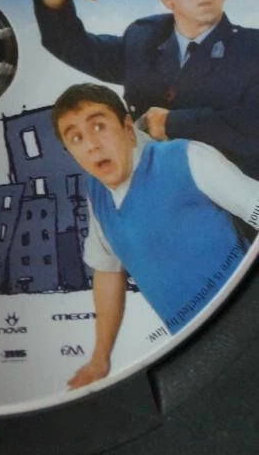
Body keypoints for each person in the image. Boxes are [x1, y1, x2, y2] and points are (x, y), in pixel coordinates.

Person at [51, 82, 259, 389]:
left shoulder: (185, 157)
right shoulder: (97, 195)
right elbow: (107, 270)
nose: (92, 144)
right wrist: (100, 359)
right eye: (76, 137)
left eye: (98, 126)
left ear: (127, 128)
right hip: (194, 354)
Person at [33, 0, 259, 178]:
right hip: (151, 188)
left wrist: (171, 124)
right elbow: (73, 46)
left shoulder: (252, 48)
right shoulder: (143, 40)